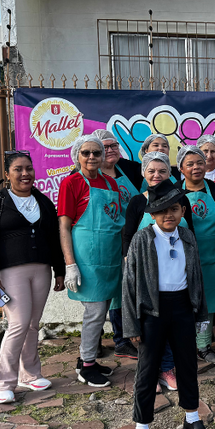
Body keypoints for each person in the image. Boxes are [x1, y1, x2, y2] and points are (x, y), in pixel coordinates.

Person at [123, 180, 215, 429]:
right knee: (147, 370)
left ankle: (192, 418)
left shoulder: (187, 236)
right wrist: (132, 324)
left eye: (174, 209)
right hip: (152, 310)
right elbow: (129, 283)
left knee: (187, 364)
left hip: (182, 307)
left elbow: (196, 276)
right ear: (152, 214)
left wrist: (200, 313)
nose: (168, 215)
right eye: (162, 211)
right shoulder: (142, 239)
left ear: (182, 211)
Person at [0, 151, 66, 404]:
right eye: (18, 169)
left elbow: (53, 238)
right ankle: (3, 383)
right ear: (7, 174)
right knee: (18, 323)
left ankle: (30, 374)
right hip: (10, 271)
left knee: (32, 324)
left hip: (41, 269)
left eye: (29, 168)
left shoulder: (43, 201)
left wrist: (59, 270)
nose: (25, 174)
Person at [58, 135, 126, 388]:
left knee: (103, 309)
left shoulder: (111, 183)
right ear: (77, 156)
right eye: (85, 152)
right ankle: (87, 365)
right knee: (95, 312)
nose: (91, 157)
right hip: (86, 260)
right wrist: (70, 264)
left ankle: (86, 361)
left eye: (96, 153)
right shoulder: (71, 183)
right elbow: (64, 226)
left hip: (110, 257)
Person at [121, 151, 183, 386]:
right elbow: (128, 236)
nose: (157, 175)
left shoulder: (181, 200)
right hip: (145, 273)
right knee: (149, 326)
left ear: (170, 174)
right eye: (152, 171)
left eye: (162, 171)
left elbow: (188, 234)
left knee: (169, 324)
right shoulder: (137, 202)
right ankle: (148, 372)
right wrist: (130, 264)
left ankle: (167, 368)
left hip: (174, 272)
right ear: (143, 173)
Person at [175, 145, 215, 364]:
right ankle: (183, 346)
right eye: (190, 164)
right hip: (181, 258)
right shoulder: (174, 193)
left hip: (213, 258)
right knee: (182, 303)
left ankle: (204, 346)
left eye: (200, 162)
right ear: (181, 168)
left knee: (209, 305)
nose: (196, 167)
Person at [94, 129, 142, 362]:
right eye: (105, 147)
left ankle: (125, 338)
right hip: (105, 241)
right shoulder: (88, 177)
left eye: (114, 145)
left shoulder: (131, 170)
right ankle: (105, 339)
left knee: (126, 289)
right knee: (104, 292)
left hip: (131, 238)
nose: (111, 150)